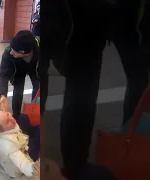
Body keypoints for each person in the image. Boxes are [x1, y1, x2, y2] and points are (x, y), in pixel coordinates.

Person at [41, 0, 149, 179]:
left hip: (127, 11)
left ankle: (131, 146)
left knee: (141, 83)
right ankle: (75, 167)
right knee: (81, 93)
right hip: (81, 16)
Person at [0, 109, 40, 179]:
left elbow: (2, 115)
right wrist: (32, 169)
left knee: (23, 117)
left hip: (17, 143)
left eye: (7, 114)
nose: (11, 118)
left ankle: (32, 132)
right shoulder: (8, 146)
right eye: (7, 122)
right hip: (19, 161)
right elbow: (22, 163)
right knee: (39, 129)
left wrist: (3, 100)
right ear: (1, 131)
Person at [0, 30, 41, 118]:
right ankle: (16, 115)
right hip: (18, 70)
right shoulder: (8, 53)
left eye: (15, 51)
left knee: (38, 88)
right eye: (12, 49)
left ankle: (36, 111)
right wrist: (3, 95)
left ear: (24, 52)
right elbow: (3, 75)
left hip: (35, 68)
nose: (11, 52)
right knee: (18, 89)